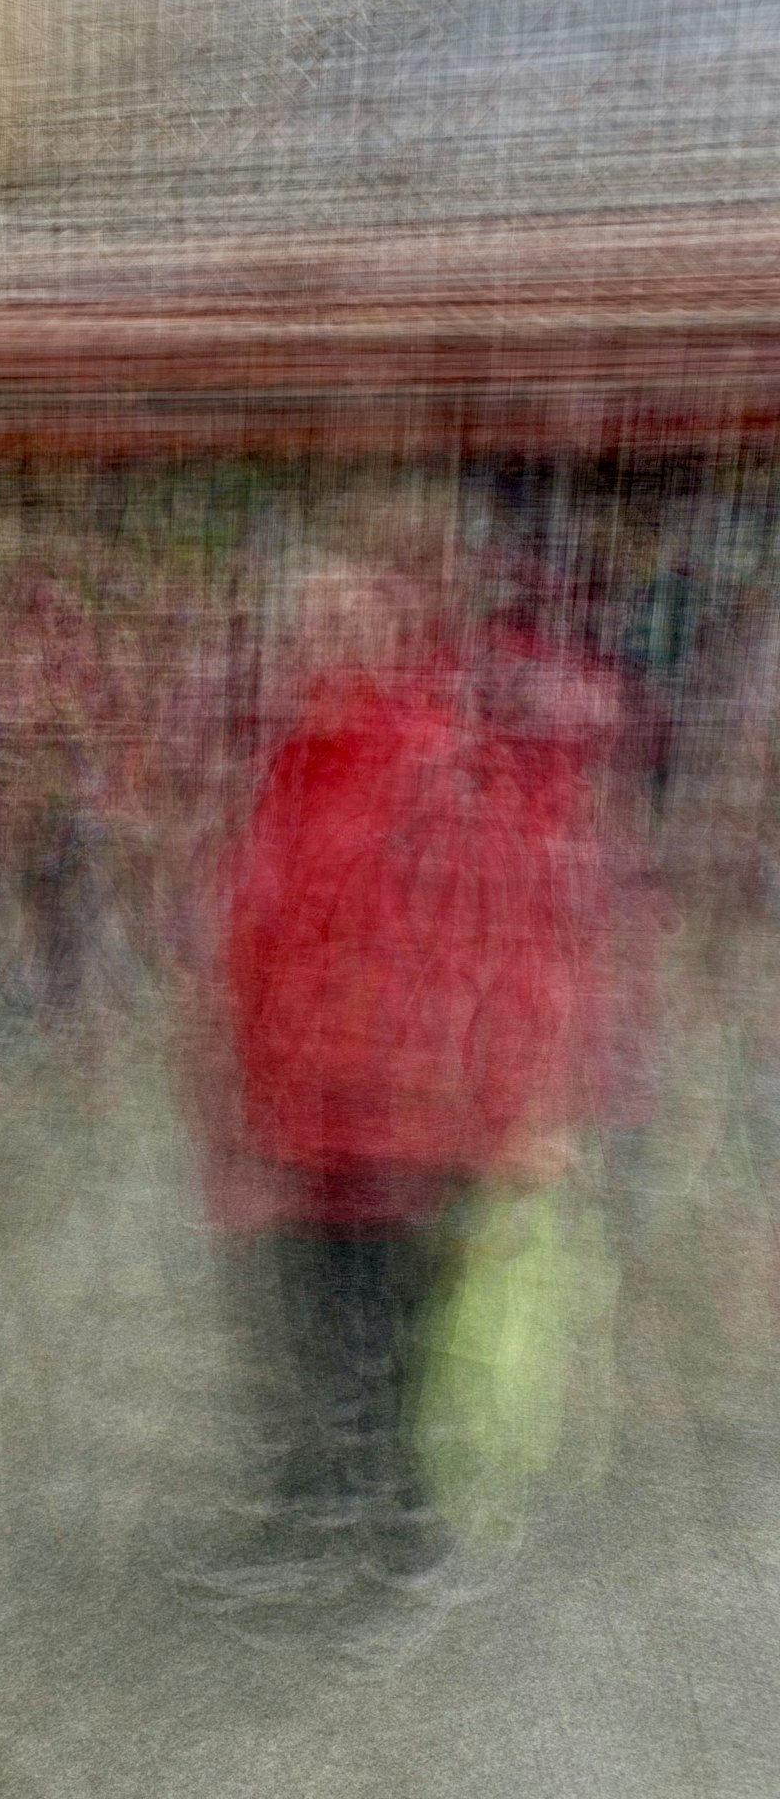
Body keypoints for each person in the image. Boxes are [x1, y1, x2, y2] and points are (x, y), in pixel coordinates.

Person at [199, 535, 642, 1604]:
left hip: (407, 1118)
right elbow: (258, 944)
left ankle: (388, 1535)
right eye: (307, 626)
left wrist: (518, 1108)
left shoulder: (435, 760)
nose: (323, 643)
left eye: (347, 622)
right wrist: (242, 1107)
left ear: (393, 633)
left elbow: (509, 937)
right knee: (317, 1330)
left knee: (385, 1341)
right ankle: (332, 1520)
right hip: (310, 1117)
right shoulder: (292, 762)